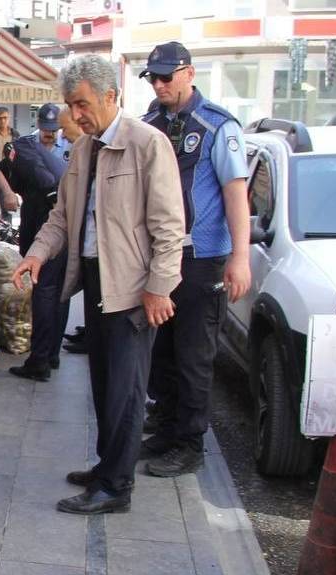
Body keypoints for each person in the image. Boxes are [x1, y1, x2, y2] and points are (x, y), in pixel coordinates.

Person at [13, 54, 185, 515]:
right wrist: (35, 255)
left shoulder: (147, 144)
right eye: (71, 105)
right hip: (94, 278)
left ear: (111, 97)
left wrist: (160, 287)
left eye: (83, 104)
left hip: (133, 286)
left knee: (127, 391)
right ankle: (109, 464)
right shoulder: (83, 150)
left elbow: (169, 226)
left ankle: (116, 486)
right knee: (103, 381)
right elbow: (62, 218)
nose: (76, 114)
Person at [138, 42, 252, 477]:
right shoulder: (151, 124)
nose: (160, 84)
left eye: (167, 76)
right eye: (154, 77)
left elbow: (235, 195)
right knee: (161, 352)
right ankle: (166, 429)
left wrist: (239, 257)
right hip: (161, 256)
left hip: (202, 257)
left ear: (189, 73)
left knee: (193, 355)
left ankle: (189, 443)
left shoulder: (217, 127)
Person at [0, 105, 68, 381]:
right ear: (39, 124)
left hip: (59, 227)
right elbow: (0, 169)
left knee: (54, 293)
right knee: (44, 291)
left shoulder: (75, 146)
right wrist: (6, 193)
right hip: (35, 221)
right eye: (46, 130)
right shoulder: (25, 147)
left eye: (54, 130)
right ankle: (43, 354)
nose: (50, 135)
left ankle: (46, 356)